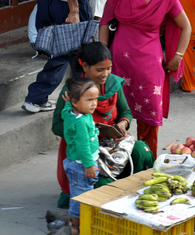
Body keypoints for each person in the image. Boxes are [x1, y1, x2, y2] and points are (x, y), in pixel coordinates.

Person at [99, 0, 191, 156]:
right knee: (114, 115)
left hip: (149, 66)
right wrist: (103, 56)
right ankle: (116, 162)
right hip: (118, 63)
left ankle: (145, 163)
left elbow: (186, 27)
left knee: (148, 117)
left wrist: (178, 56)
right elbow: (104, 22)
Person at [52, 42, 154, 208]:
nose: (105, 74)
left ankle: (136, 190)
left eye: (108, 68)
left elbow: (126, 113)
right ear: (84, 66)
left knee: (142, 150)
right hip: (86, 150)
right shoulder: (72, 91)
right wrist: (82, 130)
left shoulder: (113, 84)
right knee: (102, 187)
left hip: (112, 144)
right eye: (99, 70)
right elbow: (56, 126)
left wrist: (122, 123)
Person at [61, 77, 100, 235]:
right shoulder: (81, 123)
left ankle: (77, 219)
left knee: (78, 192)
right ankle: (76, 223)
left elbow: (64, 112)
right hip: (81, 165)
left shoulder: (72, 113)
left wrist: (68, 103)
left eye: (96, 99)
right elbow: (83, 147)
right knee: (82, 195)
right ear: (76, 102)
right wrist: (89, 165)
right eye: (89, 100)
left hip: (74, 162)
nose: (94, 103)